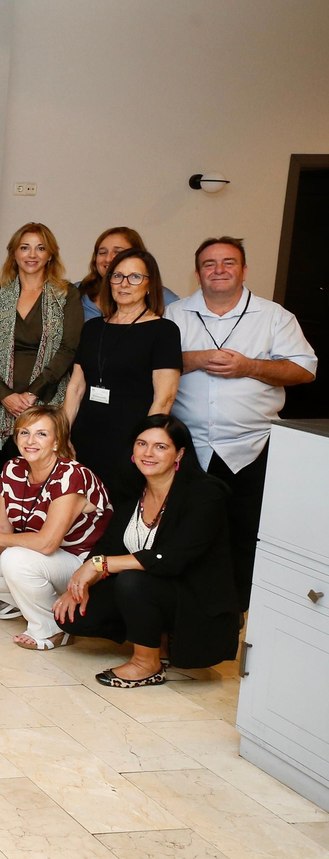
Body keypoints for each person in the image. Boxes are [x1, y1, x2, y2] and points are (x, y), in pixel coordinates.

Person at [170, 236, 316, 608]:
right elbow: (153, 364)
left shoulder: (275, 317)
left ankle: (233, 615)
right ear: (198, 272)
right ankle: (184, 614)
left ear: (244, 270)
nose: (219, 270)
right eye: (209, 263)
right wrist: (198, 359)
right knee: (182, 533)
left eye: (228, 262)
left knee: (242, 535)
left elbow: (304, 370)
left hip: (252, 447)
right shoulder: (175, 314)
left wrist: (248, 366)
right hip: (187, 446)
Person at [55, 415, 244, 687]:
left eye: (160, 447)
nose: (148, 453)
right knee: (76, 616)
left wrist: (99, 564)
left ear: (179, 453)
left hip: (196, 600)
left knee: (133, 582)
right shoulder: (134, 490)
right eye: (142, 443)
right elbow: (109, 545)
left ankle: (147, 664)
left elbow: (171, 561)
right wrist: (82, 579)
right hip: (154, 591)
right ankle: (159, 640)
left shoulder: (205, 494)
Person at [0, 405, 110, 645]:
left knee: (16, 559)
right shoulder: (13, 468)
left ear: (57, 442)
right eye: (24, 433)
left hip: (80, 561)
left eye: (41, 434)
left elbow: (47, 544)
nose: (30, 440)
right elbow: (2, 527)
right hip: (38, 555)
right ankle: (37, 600)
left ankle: (52, 627)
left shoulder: (71, 475)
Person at [0, 223, 83, 501]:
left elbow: (69, 348)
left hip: (47, 401)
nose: (32, 254)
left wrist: (34, 393)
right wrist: (4, 395)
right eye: (25, 247)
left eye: (40, 247)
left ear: (50, 255)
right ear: (14, 254)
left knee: (40, 488)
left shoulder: (66, 295)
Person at [65, 248, 182, 502]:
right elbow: (76, 387)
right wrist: (63, 434)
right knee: (78, 510)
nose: (124, 284)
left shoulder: (163, 331)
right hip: (85, 435)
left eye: (135, 277)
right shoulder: (93, 328)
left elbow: (164, 399)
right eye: (117, 276)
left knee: (117, 511)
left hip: (129, 440)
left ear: (150, 284)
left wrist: (143, 448)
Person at [76, 227, 144, 323]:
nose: (108, 259)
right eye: (102, 252)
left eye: (118, 252)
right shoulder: (75, 292)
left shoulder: (165, 298)